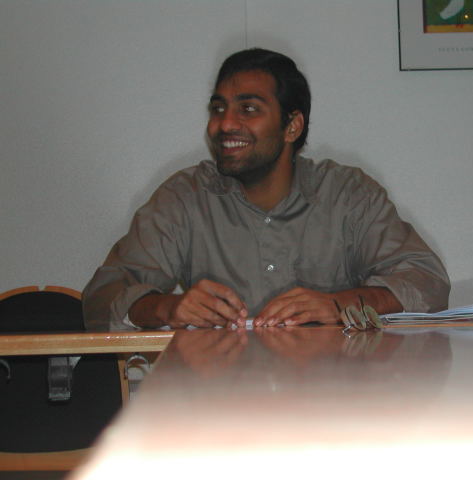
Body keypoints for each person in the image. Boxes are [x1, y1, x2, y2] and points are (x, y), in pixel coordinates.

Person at [82, 48, 449, 330]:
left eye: (248, 109)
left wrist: (339, 304)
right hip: (219, 398)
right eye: (218, 108)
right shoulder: (185, 196)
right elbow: (103, 294)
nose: (225, 123)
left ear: (292, 126)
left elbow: (428, 282)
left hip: (332, 394)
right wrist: (168, 307)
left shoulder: (347, 194)